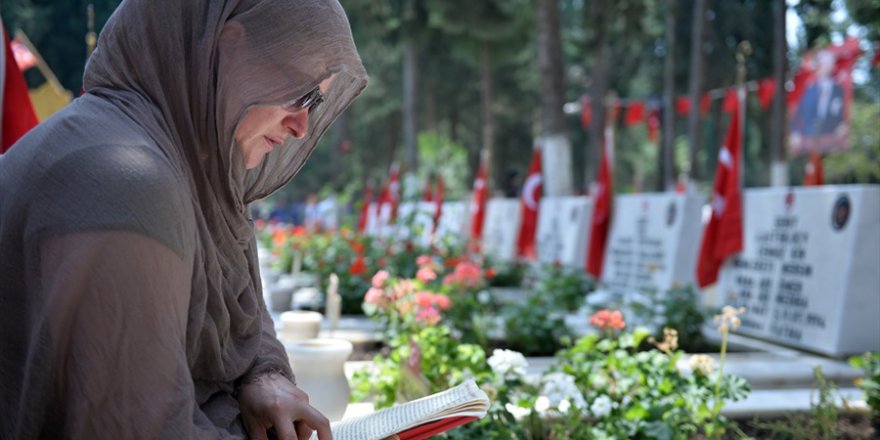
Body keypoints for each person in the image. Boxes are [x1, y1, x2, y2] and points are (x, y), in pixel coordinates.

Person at [0, 0, 367, 438]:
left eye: (316, 101)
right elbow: (131, 428)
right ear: (228, 47)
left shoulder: (191, 165)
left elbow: (242, 308)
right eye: (301, 94)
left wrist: (263, 374)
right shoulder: (124, 178)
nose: (302, 127)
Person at [790, 49, 847, 154]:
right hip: (808, 142)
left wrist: (842, 125)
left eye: (827, 62)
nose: (823, 65)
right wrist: (795, 133)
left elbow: (843, 117)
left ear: (833, 66)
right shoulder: (808, 89)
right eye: (822, 62)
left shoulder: (839, 90)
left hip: (830, 143)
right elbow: (797, 116)